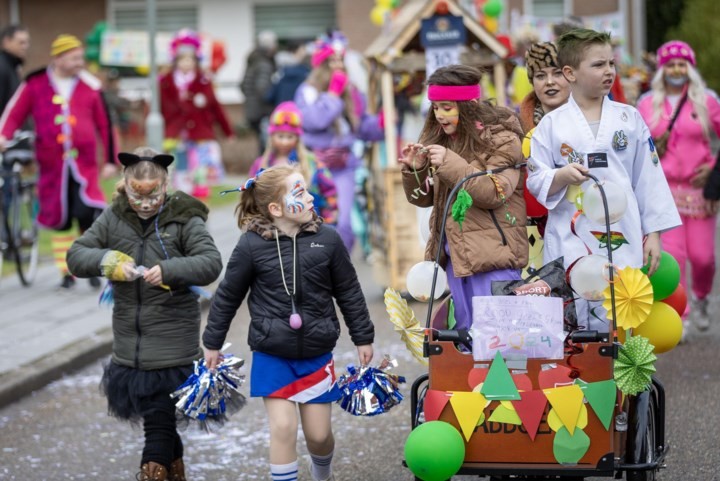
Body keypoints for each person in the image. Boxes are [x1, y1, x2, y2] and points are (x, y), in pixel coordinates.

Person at [202, 165, 374, 481]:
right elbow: (228, 295)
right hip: (272, 352)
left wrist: (363, 336)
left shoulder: (329, 239)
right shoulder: (251, 245)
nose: (310, 198)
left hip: (317, 352)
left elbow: (349, 290)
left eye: (307, 190)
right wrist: (212, 342)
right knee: (282, 428)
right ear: (275, 208)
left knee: (319, 436)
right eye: (300, 193)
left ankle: (323, 473)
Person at [66, 147, 223, 481]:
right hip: (130, 345)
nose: (146, 201)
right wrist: (107, 261)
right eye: (138, 193)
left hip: (173, 346)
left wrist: (169, 269)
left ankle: (151, 471)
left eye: (154, 193)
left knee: (156, 429)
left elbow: (210, 262)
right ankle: (175, 471)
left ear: (165, 185)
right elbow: (77, 255)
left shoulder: (183, 217)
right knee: (161, 420)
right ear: (126, 185)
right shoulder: (113, 217)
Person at [527, 28, 681, 331]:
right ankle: (578, 378)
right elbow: (536, 178)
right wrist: (560, 175)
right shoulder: (551, 125)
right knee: (574, 320)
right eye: (598, 65)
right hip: (571, 237)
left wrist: (654, 233)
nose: (609, 71)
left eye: (611, 63)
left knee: (622, 315)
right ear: (570, 73)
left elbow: (648, 178)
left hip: (622, 234)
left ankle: (622, 379)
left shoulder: (629, 118)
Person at [398, 64, 528, 331]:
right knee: (467, 339)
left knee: (499, 340)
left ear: (468, 105)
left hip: (494, 258)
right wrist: (415, 169)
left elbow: (495, 192)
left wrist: (450, 163)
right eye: (435, 107)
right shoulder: (445, 139)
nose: (440, 115)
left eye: (447, 107)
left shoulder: (503, 140)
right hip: (456, 259)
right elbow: (423, 199)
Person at [0, 34, 117, 289]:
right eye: (74, 58)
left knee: (86, 214)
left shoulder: (90, 87)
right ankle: (66, 272)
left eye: (80, 57)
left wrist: (109, 160)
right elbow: (14, 112)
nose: (79, 62)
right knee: (59, 219)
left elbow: (105, 125)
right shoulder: (36, 84)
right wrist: (3, 135)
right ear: (59, 58)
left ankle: (88, 266)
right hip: (52, 166)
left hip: (83, 166)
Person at [637, 40, 720, 333]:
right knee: (672, 259)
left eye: (681, 63)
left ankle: (701, 298)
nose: (676, 69)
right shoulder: (646, 103)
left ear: (690, 67)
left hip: (699, 193)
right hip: (664, 191)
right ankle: (679, 316)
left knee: (703, 257)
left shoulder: (707, 100)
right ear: (662, 68)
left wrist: (712, 170)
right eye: (670, 64)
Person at [294, 31, 384, 252]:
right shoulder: (307, 91)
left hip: (344, 165)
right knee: (315, 220)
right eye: (331, 61)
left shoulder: (350, 91)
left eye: (340, 60)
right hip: (315, 165)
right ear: (320, 64)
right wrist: (333, 94)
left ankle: (339, 268)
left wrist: (382, 122)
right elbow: (316, 120)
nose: (337, 65)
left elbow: (361, 127)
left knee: (344, 222)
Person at [160, 29, 234, 198]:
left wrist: (227, 131)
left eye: (190, 59)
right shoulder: (165, 82)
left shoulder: (204, 81)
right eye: (182, 59)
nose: (186, 63)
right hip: (175, 137)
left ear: (196, 60)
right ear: (175, 60)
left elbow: (216, 107)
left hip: (200, 135)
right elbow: (158, 109)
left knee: (200, 177)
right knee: (179, 176)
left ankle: (200, 210)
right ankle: (180, 208)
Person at [518, 41, 572, 274]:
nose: (550, 81)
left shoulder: (591, 120)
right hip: (532, 238)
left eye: (557, 73)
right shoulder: (516, 127)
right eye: (541, 75)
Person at [249, 101, 338, 224]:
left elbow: (329, 191)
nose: (285, 142)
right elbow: (251, 196)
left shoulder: (312, 162)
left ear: (297, 138)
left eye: (290, 137)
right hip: (273, 227)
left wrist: (329, 219)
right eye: (280, 136)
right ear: (271, 136)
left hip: (310, 225)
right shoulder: (261, 165)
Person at [241, 29, 278, 154]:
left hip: (253, 111)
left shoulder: (253, 61)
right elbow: (262, 89)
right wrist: (273, 98)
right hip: (262, 112)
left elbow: (243, 85)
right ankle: (264, 172)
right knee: (266, 147)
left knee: (262, 145)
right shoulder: (264, 64)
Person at [265, 40, 311, 108]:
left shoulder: (280, 72)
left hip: (281, 112)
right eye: (303, 49)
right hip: (297, 112)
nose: (305, 52)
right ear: (298, 50)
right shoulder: (305, 72)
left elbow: (269, 96)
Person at [0, 24, 29, 115]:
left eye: (27, 42)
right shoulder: (3, 67)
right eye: (21, 42)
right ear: (7, 42)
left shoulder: (13, 67)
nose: (25, 47)